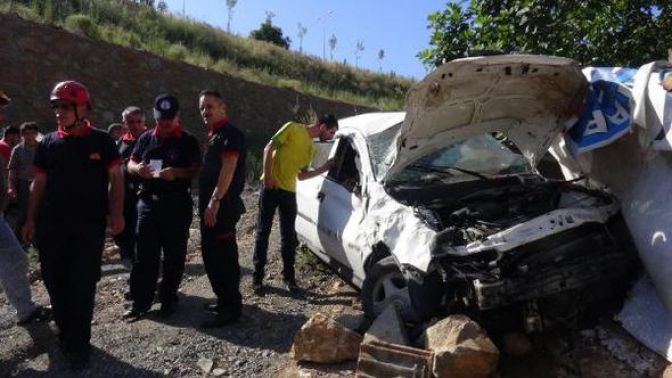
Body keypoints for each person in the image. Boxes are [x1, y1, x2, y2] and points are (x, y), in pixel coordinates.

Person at [22, 81, 124, 370]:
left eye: (65, 106)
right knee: (55, 282)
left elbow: (117, 179)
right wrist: (30, 218)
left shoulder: (102, 142)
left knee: (81, 284)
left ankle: (80, 345)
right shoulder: (48, 144)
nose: (59, 112)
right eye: (56, 107)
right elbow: (38, 183)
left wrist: (116, 213)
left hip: (87, 227)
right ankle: (66, 334)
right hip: (51, 226)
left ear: (82, 108)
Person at [123, 94, 201, 322]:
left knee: (174, 255)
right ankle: (140, 302)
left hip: (176, 204)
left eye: (169, 121)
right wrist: (138, 169)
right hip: (148, 203)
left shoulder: (188, 140)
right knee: (144, 255)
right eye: (160, 121)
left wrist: (177, 172)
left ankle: (168, 299)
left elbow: (196, 168)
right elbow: (130, 162)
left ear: (177, 117)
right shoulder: (146, 138)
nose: (164, 125)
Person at [252, 115, 338, 295]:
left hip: (289, 193)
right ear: (322, 126)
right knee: (263, 233)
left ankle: (289, 279)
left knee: (289, 237)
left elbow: (302, 175)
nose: (331, 137)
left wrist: (325, 168)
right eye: (331, 132)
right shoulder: (292, 128)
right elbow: (269, 148)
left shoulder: (311, 148)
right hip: (271, 187)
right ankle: (257, 278)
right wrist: (267, 177)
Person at [0, 91, 50, 327]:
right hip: (19, 192)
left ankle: (26, 311)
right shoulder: (17, 150)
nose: (1, 116)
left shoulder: (39, 148)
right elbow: (11, 170)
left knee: (16, 258)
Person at [198, 90, 246, 328]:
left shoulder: (230, 134)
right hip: (211, 205)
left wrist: (215, 201)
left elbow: (228, 169)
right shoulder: (214, 135)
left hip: (222, 206)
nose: (205, 112)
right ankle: (223, 299)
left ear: (222, 107)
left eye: (209, 106)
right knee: (211, 255)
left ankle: (231, 308)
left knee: (224, 257)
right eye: (202, 108)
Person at [114, 107, 147, 262]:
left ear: (144, 121)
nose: (135, 125)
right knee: (123, 230)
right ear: (124, 123)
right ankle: (128, 258)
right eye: (130, 122)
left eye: (138, 122)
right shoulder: (120, 143)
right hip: (125, 194)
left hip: (146, 194)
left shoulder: (152, 139)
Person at [8, 122, 39, 241]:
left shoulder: (42, 148)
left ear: (36, 134)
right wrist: (11, 187)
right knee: (23, 212)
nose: (30, 136)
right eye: (26, 133)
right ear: (22, 135)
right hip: (23, 184)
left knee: (38, 211)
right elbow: (12, 169)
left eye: (32, 133)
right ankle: (19, 239)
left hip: (38, 184)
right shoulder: (18, 150)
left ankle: (36, 239)